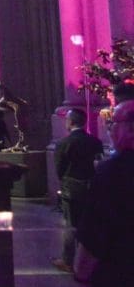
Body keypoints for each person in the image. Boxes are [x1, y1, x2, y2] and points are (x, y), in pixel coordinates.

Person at [73, 90, 134, 287]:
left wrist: (81, 279)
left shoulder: (111, 173)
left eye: (112, 123)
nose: (109, 129)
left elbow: (94, 235)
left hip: (119, 284)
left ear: (128, 129)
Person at [53, 109, 102, 272]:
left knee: (70, 224)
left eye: (66, 119)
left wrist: (64, 181)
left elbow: (59, 168)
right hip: (91, 186)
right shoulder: (95, 142)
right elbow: (99, 163)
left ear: (71, 122)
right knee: (89, 222)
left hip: (71, 187)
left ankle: (68, 260)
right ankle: (89, 258)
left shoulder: (63, 143)